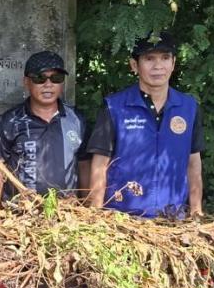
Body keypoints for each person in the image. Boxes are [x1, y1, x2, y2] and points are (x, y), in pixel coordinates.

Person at [87, 31, 204, 217]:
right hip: (121, 219)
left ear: (173, 63)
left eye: (165, 58)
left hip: (172, 219)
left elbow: (193, 163)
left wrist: (196, 212)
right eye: (149, 59)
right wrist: (95, 215)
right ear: (134, 65)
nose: (158, 66)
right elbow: (100, 163)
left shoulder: (188, 108)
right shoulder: (115, 107)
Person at [0, 50, 90, 208]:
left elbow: (84, 165)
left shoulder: (76, 120)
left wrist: (88, 208)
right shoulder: (11, 121)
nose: (48, 84)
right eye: (40, 78)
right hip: (20, 219)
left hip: (67, 218)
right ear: (26, 82)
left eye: (56, 78)